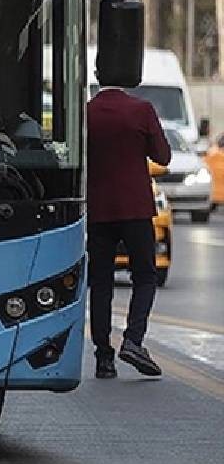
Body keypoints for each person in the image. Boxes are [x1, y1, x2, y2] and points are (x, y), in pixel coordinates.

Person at [87, 78, 172, 379]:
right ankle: (133, 340)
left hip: (97, 210)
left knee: (100, 283)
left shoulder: (86, 113)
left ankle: (103, 358)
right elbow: (163, 156)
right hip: (136, 209)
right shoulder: (142, 110)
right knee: (145, 276)